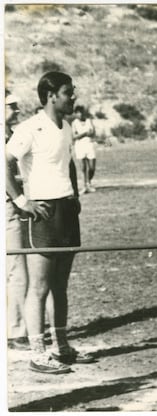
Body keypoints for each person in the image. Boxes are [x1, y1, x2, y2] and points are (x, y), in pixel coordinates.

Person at [6, 71, 94, 374]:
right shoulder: (30, 128)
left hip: (67, 210)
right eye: (68, 92)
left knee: (61, 285)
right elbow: (4, 164)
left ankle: (62, 346)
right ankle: (38, 352)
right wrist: (21, 201)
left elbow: (68, 163)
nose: (73, 97)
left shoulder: (67, 126)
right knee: (40, 286)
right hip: (42, 213)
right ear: (51, 94)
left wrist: (74, 194)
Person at [5, 91, 30, 350]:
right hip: (7, 206)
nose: (16, 111)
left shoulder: (10, 136)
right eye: (11, 107)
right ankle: (16, 330)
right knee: (17, 270)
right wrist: (21, 200)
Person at [72, 104, 96, 194]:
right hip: (80, 146)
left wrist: (85, 134)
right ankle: (85, 186)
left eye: (81, 113)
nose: (80, 115)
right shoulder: (74, 123)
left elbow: (93, 133)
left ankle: (88, 182)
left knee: (92, 167)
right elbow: (74, 136)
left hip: (89, 145)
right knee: (83, 167)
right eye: (78, 113)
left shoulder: (89, 121)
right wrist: (85, 133)